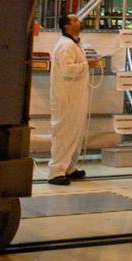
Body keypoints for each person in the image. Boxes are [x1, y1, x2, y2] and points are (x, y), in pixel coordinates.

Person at [48, 13, 90, 186]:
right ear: (66, 26)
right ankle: (55, 172)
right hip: (66, 97)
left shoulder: (74, 44)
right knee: (64, 133)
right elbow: (67, 70)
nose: (78, 21)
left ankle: (69, 167)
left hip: (76, 96)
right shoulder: (66, 46)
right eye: (74, 20)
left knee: (75, 133)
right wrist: (88, 65)